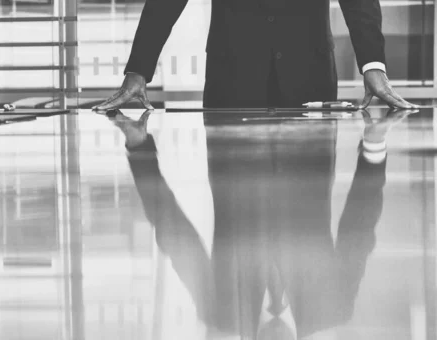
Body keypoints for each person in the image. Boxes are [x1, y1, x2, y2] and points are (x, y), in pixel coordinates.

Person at [105, 108, 414, 338]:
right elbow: (358, 229)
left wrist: (140, 153)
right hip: (305, 127)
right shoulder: (333, 307)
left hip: (234, 118)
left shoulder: (221, 313)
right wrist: (374, 148)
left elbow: (175, 236)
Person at [92, 0, 419, 109]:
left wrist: (373, 64)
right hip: (232, 73)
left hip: (308, 72)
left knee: (309, 209)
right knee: (233, 204)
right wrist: (138, 69)